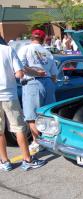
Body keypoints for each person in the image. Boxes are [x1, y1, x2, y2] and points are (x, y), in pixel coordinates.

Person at [0, 43, 46, 171]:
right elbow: (19, 73)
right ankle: (27, 160)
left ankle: (5, 162)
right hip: (9, 95)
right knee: (18, 128)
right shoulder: (8, 50)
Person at [18, 29, 58, 152]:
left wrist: (36, 73)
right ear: (44, 39)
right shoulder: (47, 52)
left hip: (33, 82)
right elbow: (54, 75)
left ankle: (37, 142)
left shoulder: (25, 49)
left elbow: (20, 67)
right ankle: (48, 140)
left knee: (31, 116)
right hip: (48, 82)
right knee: (47, 114)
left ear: (31, 37)